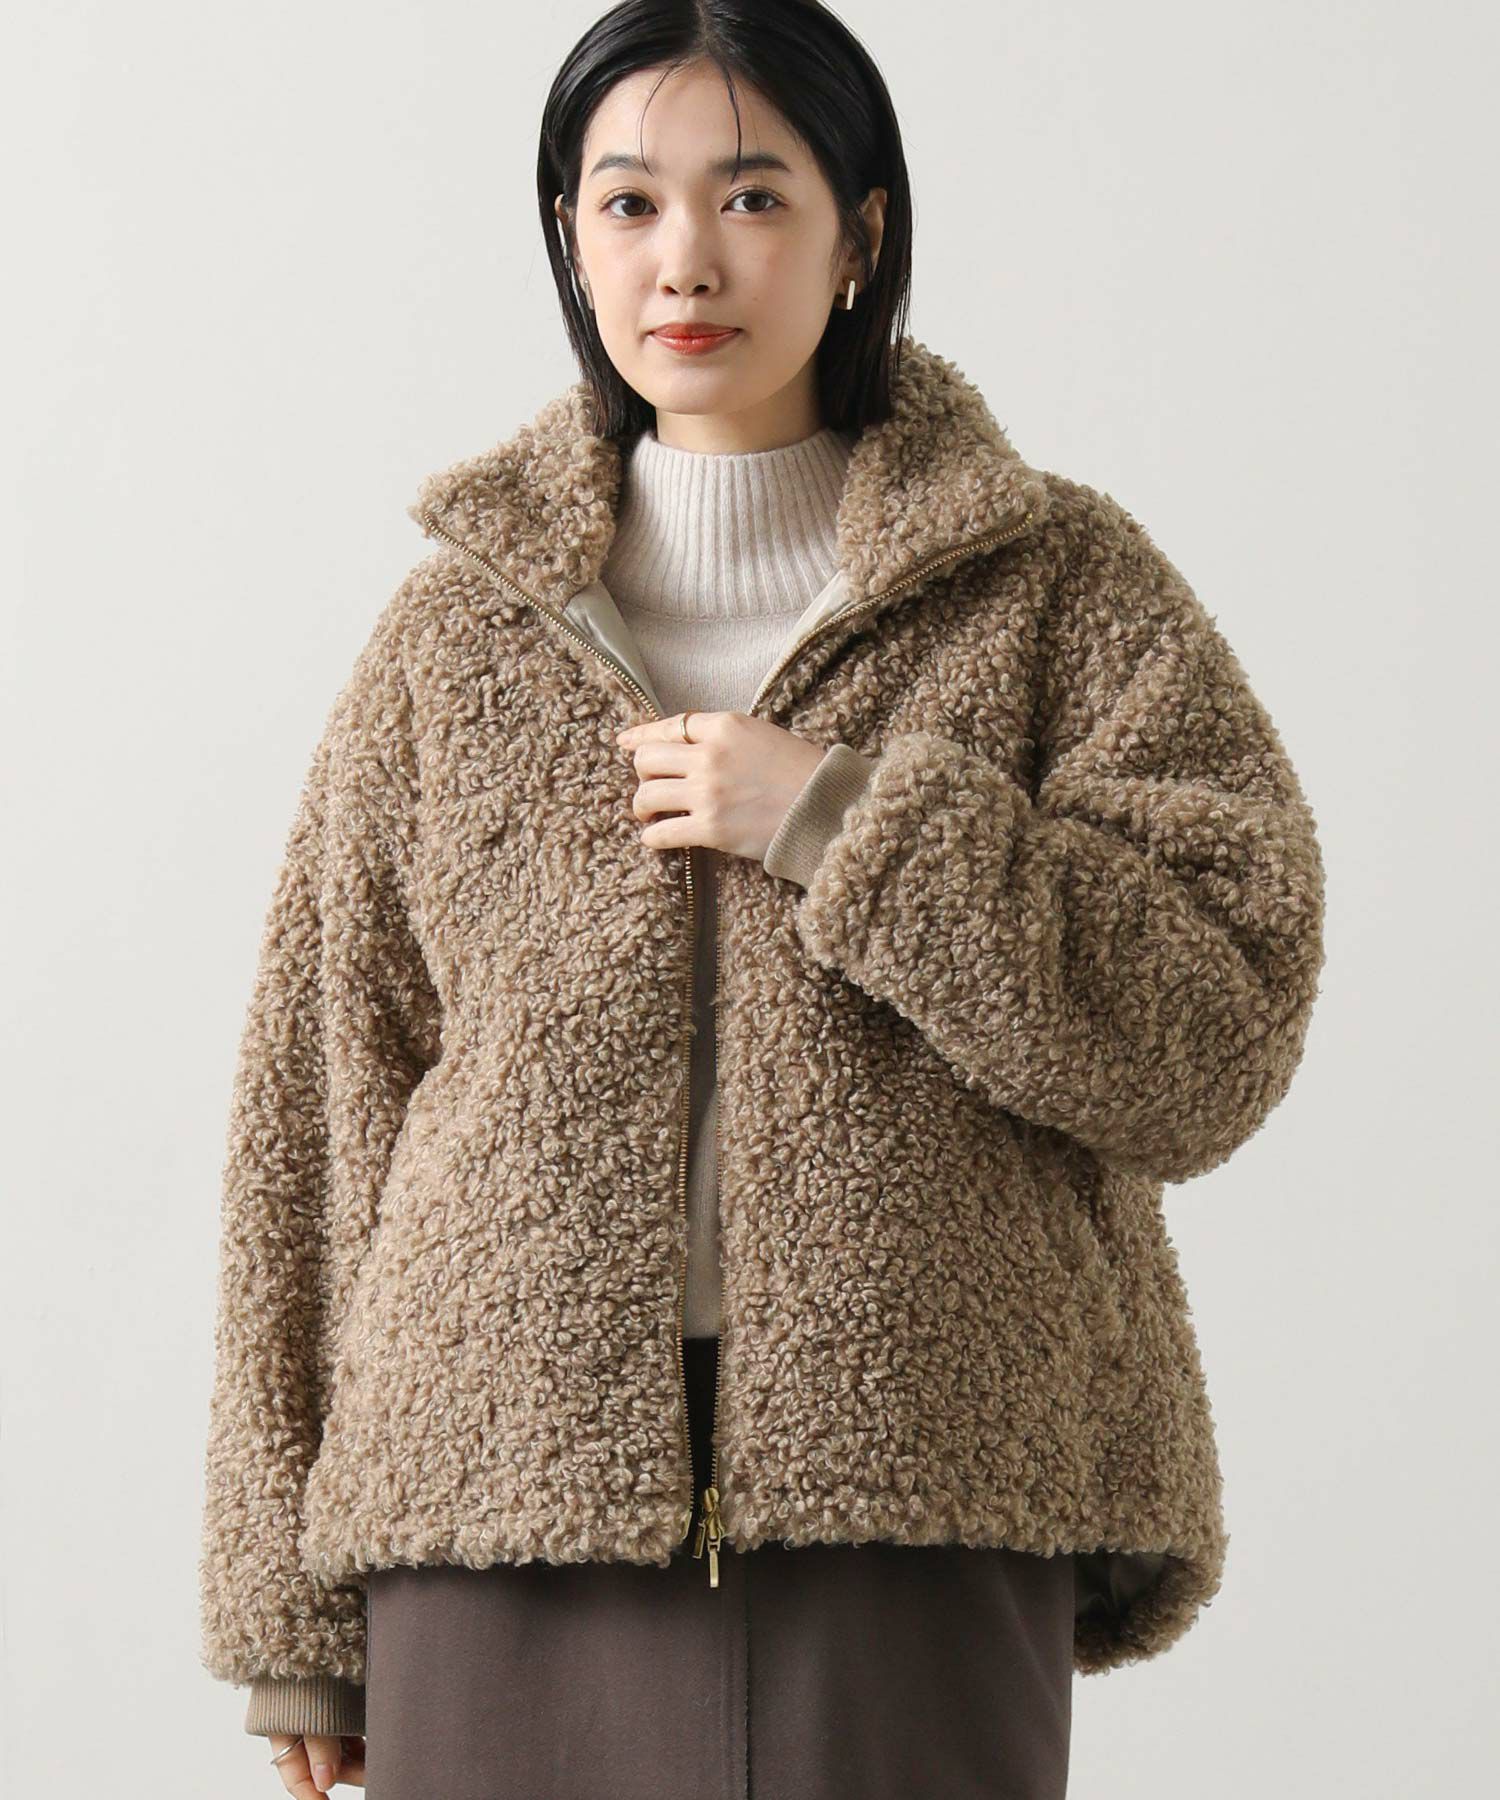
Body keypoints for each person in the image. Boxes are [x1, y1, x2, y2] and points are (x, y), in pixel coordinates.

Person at [197, 4, 1327, 1795]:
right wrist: (291, 1615)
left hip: (925, 1496)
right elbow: (321, 1118)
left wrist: (845, 823)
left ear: (859, 231)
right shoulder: (455, 635)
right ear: (568, 236)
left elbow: (1217, 1026)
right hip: (495, 1523)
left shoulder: (1054, 588)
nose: (686, 261)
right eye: (627, 203)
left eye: (751, 197)